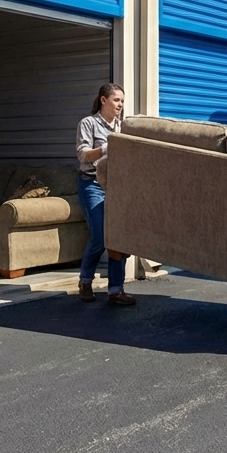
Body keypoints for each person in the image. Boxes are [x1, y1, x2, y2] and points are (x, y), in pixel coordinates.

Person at [75, 83, 135, 306]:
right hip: (92, 184)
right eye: (116, 100)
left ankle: (116, 290)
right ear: (103, 100)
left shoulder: (123, 127)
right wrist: (105, 149)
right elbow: (83, 156)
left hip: (117, 186)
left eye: (122, 100)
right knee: (100, 237)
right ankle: (85, 280)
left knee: (118, 236)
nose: (120, 104)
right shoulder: (88, 124)